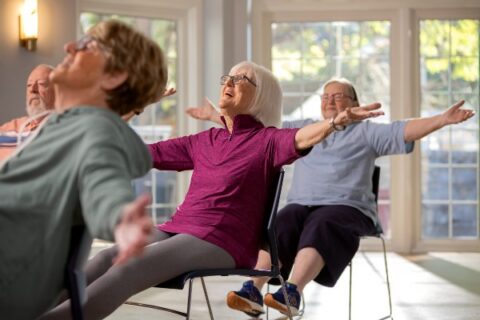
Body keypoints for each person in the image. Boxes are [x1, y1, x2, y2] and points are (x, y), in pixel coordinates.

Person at [39, 62, 383, 320]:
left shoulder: (267, 140)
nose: (229, 83)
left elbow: (301, 138)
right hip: (180, 227)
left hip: (223, 240)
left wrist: (336, 122)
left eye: (241, 78)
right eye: (227, 77)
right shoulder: (206, 140)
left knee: (130, 266)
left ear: (260, 94)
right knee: (104, 259)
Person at [186, 77, 476, 317]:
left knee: (324, 222)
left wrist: (442, 119)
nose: (330, 100)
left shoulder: (366, 132)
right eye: (326, 96)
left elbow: (405, 130)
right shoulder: (305, 127)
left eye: (338, 96)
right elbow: (258, 134)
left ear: (355, 104)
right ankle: (253, 289)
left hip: (348, 209)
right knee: (282, 221)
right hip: (302, 206)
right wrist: (215, 115)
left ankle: (292, 293)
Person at [0, 19, 168, 319]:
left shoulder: (97, 129)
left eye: (86, 46)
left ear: (114, 76)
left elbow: (103, 181)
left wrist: (120, 219)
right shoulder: (63, 126)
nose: (68, 47)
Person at [0, 64, 56, 161]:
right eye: (29, 85)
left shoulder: (65, 128)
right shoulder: (10, 128)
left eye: (41, 84)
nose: (32, 89)